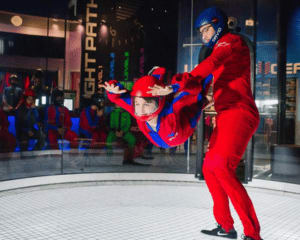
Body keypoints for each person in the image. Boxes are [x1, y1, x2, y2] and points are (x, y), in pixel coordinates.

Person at [190, 7, 262, 240]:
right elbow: (215, 78)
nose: (203, 36)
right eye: (200, 32)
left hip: (239, 112)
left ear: (218, 25)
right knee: (210, 168)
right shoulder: (222, 52)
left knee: (221, 167)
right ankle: (226, 226)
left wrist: (180, 82)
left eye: (206, 29)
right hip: (226, 114)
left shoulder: (230, 42)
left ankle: (252, 233)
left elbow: (212, 63)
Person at [100, 67, 212, 149]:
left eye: (146, 105)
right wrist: (114, 88)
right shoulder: (137, 109)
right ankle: (202, 100)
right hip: (165, 136)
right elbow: (117, 97)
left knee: (194, 100)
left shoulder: (171, 110)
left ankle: (203, 100)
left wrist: (175, 87)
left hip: (181, 130)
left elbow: (195, 88)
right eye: (138, 104)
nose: (141, 110)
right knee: (193, 99)